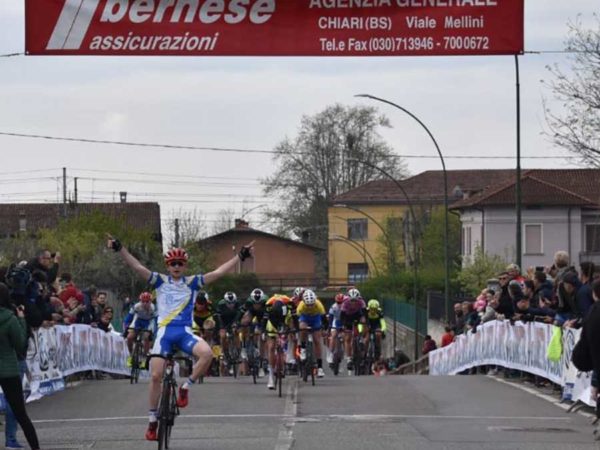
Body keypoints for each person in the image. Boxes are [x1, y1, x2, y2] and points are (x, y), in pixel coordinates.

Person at [107, 235, 254, 441]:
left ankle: (186, 388)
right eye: (172, 263)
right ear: (167, 266)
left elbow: (218, 272)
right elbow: (138, 267)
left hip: (184, 331)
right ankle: (152, 420)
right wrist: (120, 248)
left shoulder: (192, 282)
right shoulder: (159, 280)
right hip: (164, 333)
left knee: (207, 354)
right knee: (156, 376)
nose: (176, 266)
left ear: (185, 266)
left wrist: (240, 256)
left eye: (180, 263)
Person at [0, 283, 40, 450]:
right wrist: (22, 320)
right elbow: (20, 344)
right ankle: (35, 447)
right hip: (8, 368)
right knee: (20, 413)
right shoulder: (10, 319)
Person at [263, 294, 292, 389]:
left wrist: (293, 330)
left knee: (282, 344)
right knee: (271, 347)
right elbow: (264, 322)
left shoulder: (288, 310)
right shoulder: (269, 312)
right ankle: (271, 374)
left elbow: (293, 321)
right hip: (272, 327)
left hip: (284, 325)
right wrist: (263, 332)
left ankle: (282, 363)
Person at [297, 289, 326, 378]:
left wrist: (324, 329)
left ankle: (320, 368)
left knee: (317, 341)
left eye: (311, 304)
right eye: (308, 305)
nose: (310, 307)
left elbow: (324, 319)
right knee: (302, 328)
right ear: (304, 302)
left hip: (315, 319)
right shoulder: (301, 306)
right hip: (305, 318)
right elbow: (297, 319)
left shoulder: (319, 305)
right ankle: (303, 348)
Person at [123, 291, 157, 366]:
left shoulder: (153, 308)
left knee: (146, 337)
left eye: (147, 302)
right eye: (143, 301)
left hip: (148, 322)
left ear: (150, 301)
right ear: (140, 301)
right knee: (129, 337)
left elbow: (156, 321)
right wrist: (126, 326)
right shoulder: (136, 306)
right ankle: (131, 355)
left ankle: (144, 357)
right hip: (138, 321)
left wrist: (154, 332)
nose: (145, 303)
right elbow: (129, 317)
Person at [340, 288, 367, 372]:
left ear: (358, 299)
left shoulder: (361, 302)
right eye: (352, 300)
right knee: (348, 338)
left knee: (363, 322)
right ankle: (349, 358)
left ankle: (361, 338)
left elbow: (365, 313)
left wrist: (364, 320)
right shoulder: (345, 303)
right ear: (349, 299)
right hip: (347, 317)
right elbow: (342, 316)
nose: (353, 303)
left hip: (357, 315)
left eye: (355, 300)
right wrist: (343, 325)